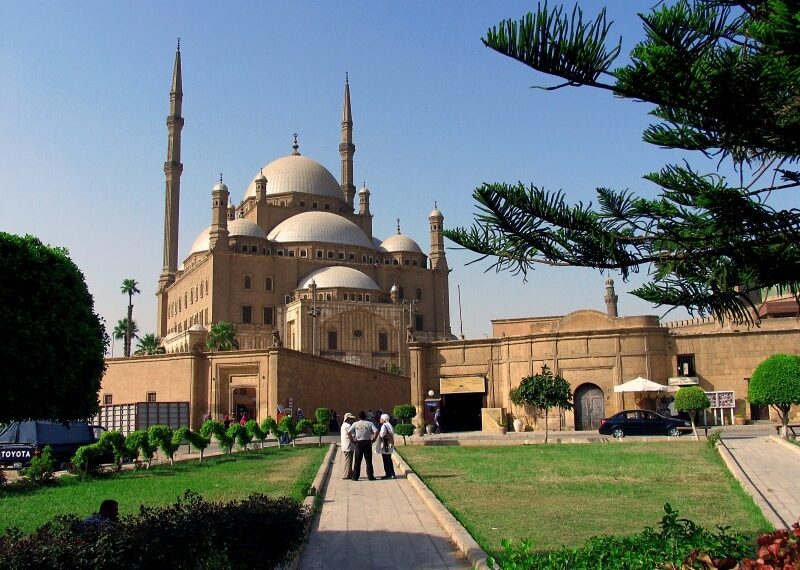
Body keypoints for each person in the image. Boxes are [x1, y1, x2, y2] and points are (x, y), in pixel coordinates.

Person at [347, 410, 378, 481]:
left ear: (358, 417)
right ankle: (370, 476)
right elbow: (376, 431)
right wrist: (373, 439)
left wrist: (352, 441)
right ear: (365, 417)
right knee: (368, 461)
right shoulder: (369, 423)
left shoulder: (355, 424)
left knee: (357, 461)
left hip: (358, 443)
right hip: (367, 443)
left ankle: (355, 477)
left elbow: (348, 432)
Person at [378, 413, 396, 479]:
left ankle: (388, 474)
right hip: (390, 444)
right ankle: (392, 473)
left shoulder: (384, 426)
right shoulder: (390, 425)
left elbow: (382, 434)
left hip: (386, 444)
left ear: (384, 419)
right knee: (389, 459)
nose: (380, 420)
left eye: (381, 419)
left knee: (386, 459)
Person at [339, 413, 356, 480]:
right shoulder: (348, 426)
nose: (352, 420)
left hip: (346, 445)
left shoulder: (343, 425)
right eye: (351, 419)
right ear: (347, 419)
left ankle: (350, 473)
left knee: (349, 460)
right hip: (348, 445)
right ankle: (346, 474)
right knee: (348, 460)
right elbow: (353, 435)